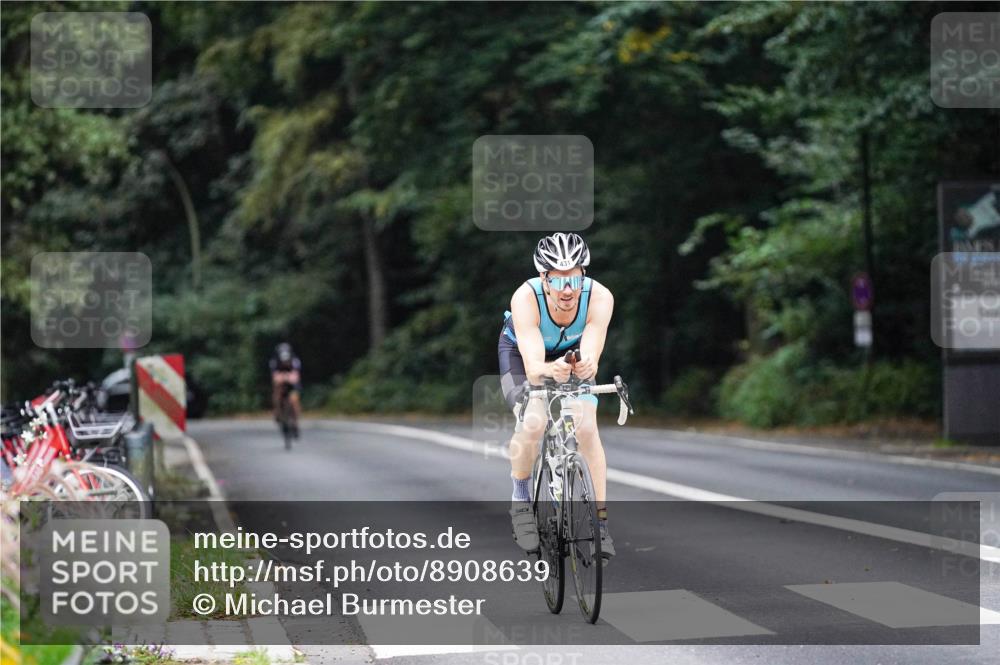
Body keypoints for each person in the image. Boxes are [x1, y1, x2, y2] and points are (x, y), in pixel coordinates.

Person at [498, 233, 616, 558]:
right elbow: (535, 367)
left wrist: (585, 363)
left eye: (574, 278)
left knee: (587, 427)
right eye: (558, 279)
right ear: (543, 279)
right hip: (523, 356)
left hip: (570, 357)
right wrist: (550, 369)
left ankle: (600, 525)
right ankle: (521, 501)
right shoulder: (525, 298)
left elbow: (590, 352)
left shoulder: (600, 298)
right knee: (534, 421)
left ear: (584, 275)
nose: (567, 289)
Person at [269, 343, 302, 433]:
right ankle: (277, 412)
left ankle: (295, 420)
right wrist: (281, 378)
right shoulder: (274, 362)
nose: (285, 362)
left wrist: (290, 378)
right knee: (276, 392)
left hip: (292, 383)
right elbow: (274, 376)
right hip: (281, 382)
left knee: (295, 399)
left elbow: (296, 375)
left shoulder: (295, 361)